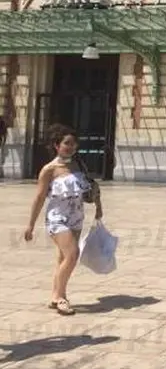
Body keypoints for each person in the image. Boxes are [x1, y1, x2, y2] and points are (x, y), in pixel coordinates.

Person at [24, 124, 102, 315]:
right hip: (57, 218)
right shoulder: (49, 170)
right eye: (67, 143)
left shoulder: (78, 165)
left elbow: (92, 188)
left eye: (74, 144)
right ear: (56, 145)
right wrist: (30, 225)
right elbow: (40, 198)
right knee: (72, 255)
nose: (71, 147)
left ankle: (56, 295)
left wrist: (100, 208)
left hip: (76, 217)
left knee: (62, 258)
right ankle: (60, 298)